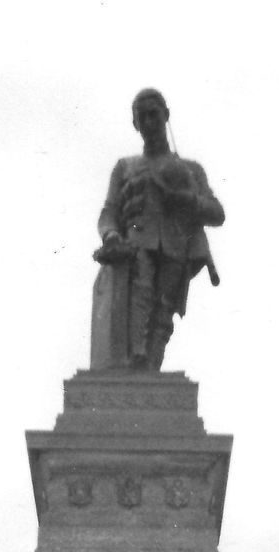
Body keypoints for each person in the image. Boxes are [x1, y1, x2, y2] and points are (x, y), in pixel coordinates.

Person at [91, 89, 224, 371]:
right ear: (135, 124)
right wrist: (111, 235)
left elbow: (217, 213)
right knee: (140, 294)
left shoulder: (191, 169)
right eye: (143, 117)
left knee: (164, 310)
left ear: (166, 115)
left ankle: (150, 369)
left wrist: (187, 200)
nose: (150, 122)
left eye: (154, 114)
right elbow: (109, 213)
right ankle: (138, 356)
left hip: (176, 247)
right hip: (137, 243)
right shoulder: (125, 167)